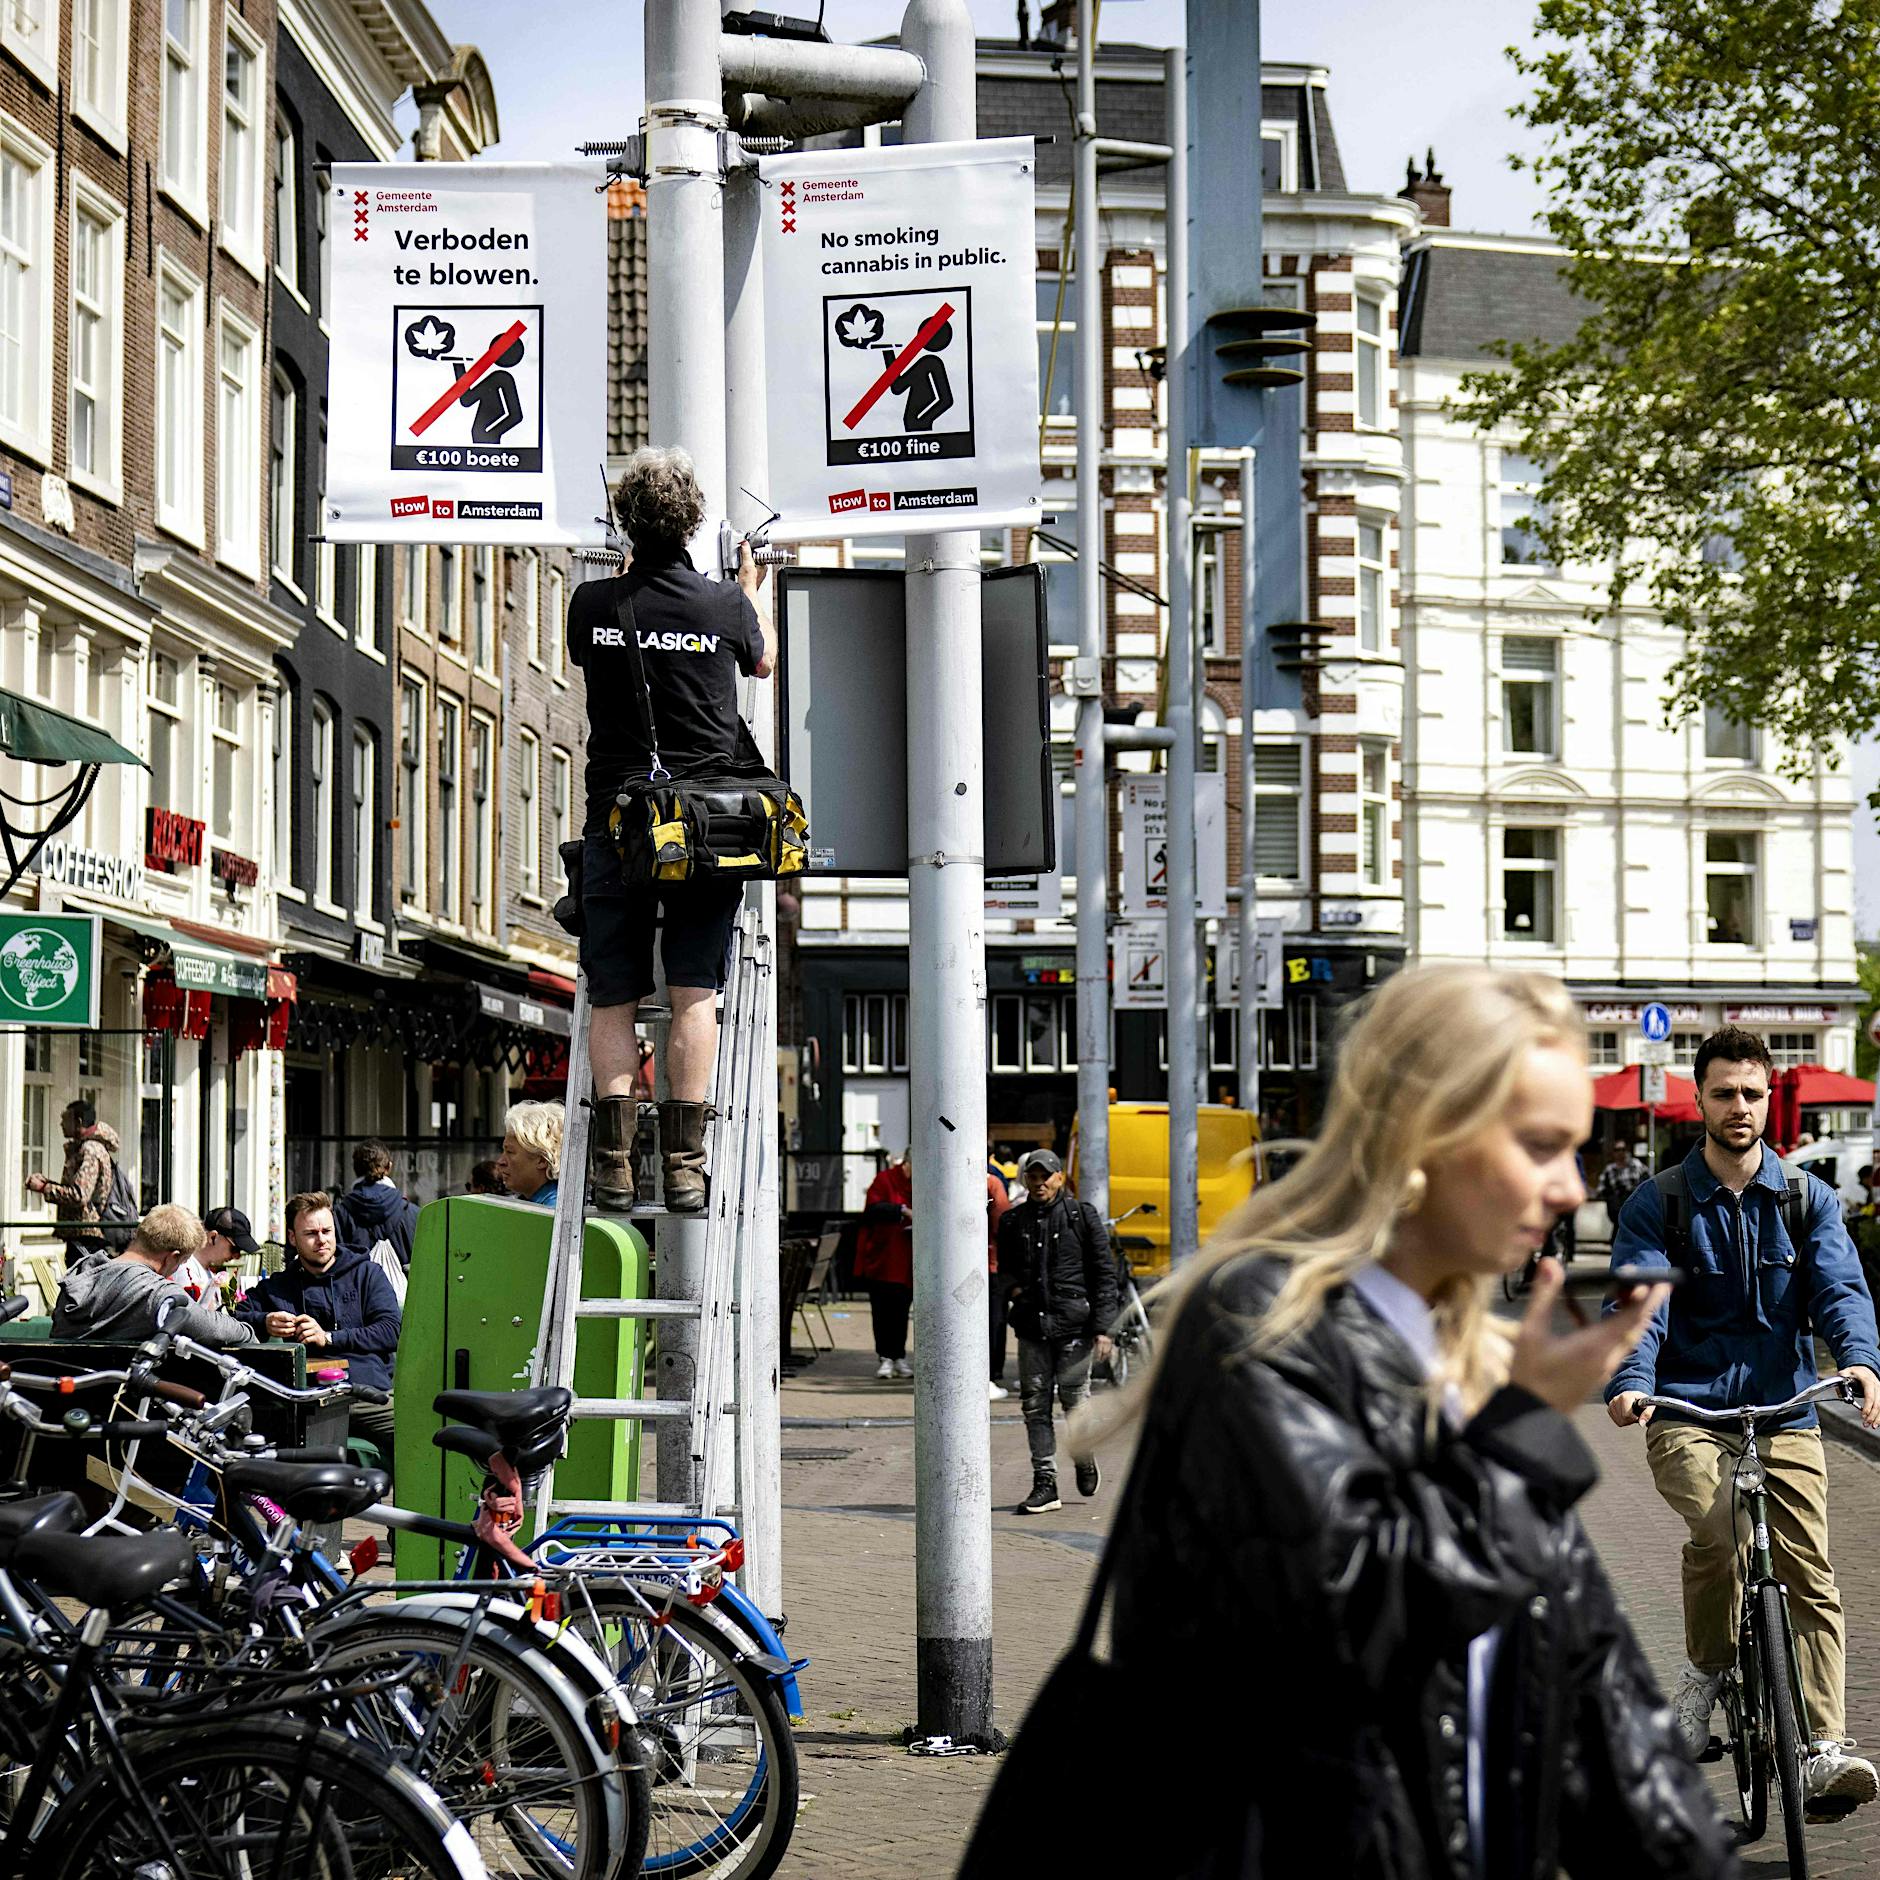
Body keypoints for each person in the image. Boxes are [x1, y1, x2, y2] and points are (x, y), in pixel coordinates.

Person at [977, 966, 1731, 1877]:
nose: (1571, 1189)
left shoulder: (1477, 1375)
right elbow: (1352, 1613)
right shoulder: (1256, 1329)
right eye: (1539, 1146)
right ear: (1425, 1135)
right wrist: (1525, 1425)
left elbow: (1604, 1711)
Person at [1606, 1024, 1880, 1812]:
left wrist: (1857, 1358)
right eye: (1723, 1092)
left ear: (1769, 1100)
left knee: (1811, 1568)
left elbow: (1839, 1290)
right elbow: (1639, 1307)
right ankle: (1705, 1670)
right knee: (1720, 1525)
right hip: (1687, 1409)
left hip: (1784, 1408)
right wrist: (1632, 1380)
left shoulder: (1807, 1199)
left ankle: (1824, 1744)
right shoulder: (1659, 1202)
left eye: (1752, 1093)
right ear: (1699, 1098)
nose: (1739, 1106)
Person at [568, 445, 775, 1216]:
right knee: (694, 995)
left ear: (625, 522)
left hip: (615, 822)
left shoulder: (592, 604)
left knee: (614, 997)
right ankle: (685, 1168)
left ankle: (614, 1169)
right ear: (693, 523)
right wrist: (754, 591)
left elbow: (593, 658)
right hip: (703, 827)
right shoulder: (725, 606)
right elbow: (763, 665)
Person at [238, 1191, 402, 1477]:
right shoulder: (279, 1285)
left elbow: (390, 1331)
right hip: (301, 1397)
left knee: (421, 1433)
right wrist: (265, 1322)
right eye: (311, 1233)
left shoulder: (367, 1274)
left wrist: (329, 1338)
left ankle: (404, 1521)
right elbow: (235, 1317)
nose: (322, 1240)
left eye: (327, 1231)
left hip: (361, 1392)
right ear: (292, 1238)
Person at [995, 1149, 1117, 1515]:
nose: (1039, 1182)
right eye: (1032, 1176)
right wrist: (1016, 1292)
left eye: (1046, 1175)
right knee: (1035, 1405)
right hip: (1033, 1325)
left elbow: (1103, 1274)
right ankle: (1045, 1482)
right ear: (1024, 1180)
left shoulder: (1081, 1216)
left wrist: (1103, 1329)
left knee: (1075, 1400)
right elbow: (1005, 1269)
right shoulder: (1013, 1220)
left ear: (1060, 1177)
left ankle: (1082, 1455)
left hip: (1073, 1325)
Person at [52, 1205, 257, 1347]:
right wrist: (248, 1332)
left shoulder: (81, 1274)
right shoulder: (155, 1293)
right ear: (172, 1258)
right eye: (182, 1262)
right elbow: (214, 1329)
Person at [27, 1100, 122, 1257]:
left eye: (65, 1119)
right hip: (80, 1235)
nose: (61, 1124)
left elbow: (79, 1195)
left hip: (87, 1237)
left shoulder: (90, 1150)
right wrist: (47, 1184)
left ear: (78, 1122)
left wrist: (44, 1188)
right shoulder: (84, 1148)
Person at [855, 1154, 914, 1380]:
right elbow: (872, 1209)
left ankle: (898, 1355)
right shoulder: (884, 1180)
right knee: (882, 1312)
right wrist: (900, 1210)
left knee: (901, 1311)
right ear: (907, 1163)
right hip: (883, 1261)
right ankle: (885, 1356)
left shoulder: (918, 1183)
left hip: (907, 1262)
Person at [332, 1140, 420, 1269]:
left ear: (355, 1169)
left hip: (359, 1288)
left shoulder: (339, 1215)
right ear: (389, 1167)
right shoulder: (414, 1214)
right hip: (405, 1288)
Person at [178, 1205, 260, 1303]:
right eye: (234, 1249)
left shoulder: (208, 1274)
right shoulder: (184, 1270)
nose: (237, 1256)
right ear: (213, 1237)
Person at [496, 1102, 563, 1208]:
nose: (501, 1162)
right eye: (503, 1151)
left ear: (542, 1160)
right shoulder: (534, 1203)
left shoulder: (553, 1213)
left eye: (510, 1152)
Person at [987, 1167, 1011, 1400]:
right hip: (990, 1262)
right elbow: (1001, 1221)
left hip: (956, 1264)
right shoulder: (992, 1183)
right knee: (994, 1319)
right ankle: (992, 1373)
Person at [1597, 1136, 1650, 1233]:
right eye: (1617, 1150)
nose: (1620, 1152)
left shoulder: (1636, 1165)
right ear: (1613, 1152)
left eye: (1623, 1149)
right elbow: (1601, 1190)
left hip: (1634, 1205)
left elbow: (1648, 1181)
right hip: (1618, 1208)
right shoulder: (1609, 1169)